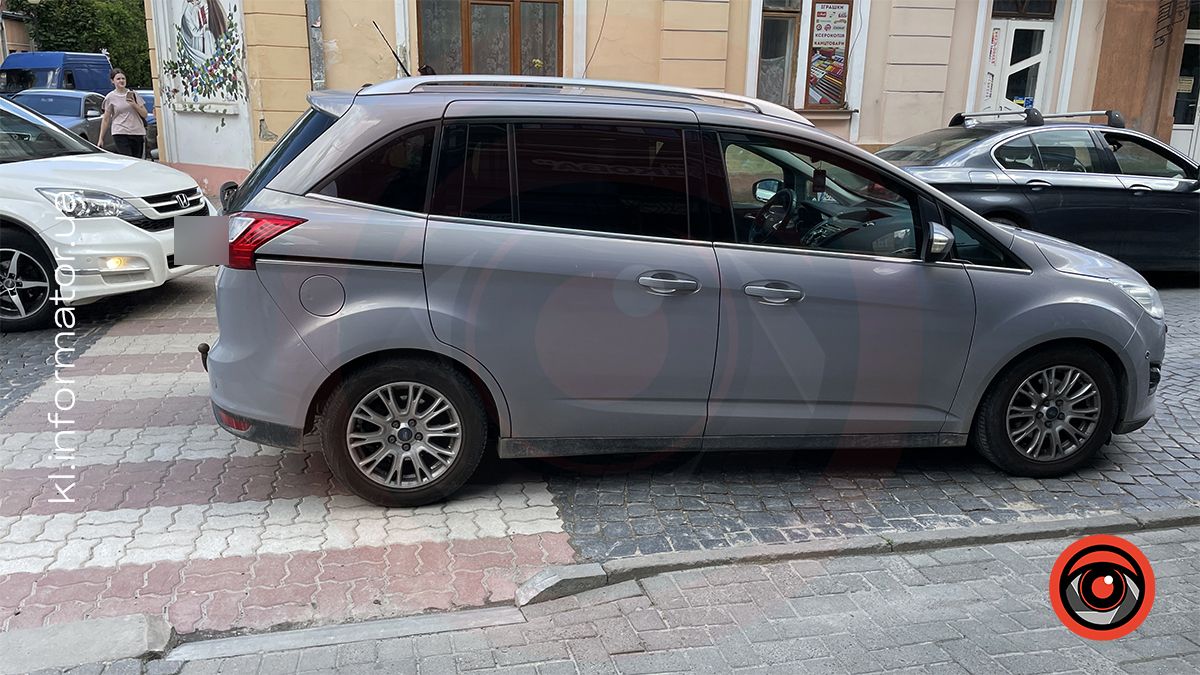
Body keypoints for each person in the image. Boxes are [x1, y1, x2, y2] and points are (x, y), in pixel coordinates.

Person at [99, 69, 148, 158]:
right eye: (118, 79)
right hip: (120, 132)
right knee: (127, 158)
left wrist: (134, 104)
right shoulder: (110, 97)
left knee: (137, 160)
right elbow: (106, 119)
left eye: (123, 78)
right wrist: (101, 139)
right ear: (112, 81)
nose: (121, 81)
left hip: (136, 132)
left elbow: (144, 114)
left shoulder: (133, 94)